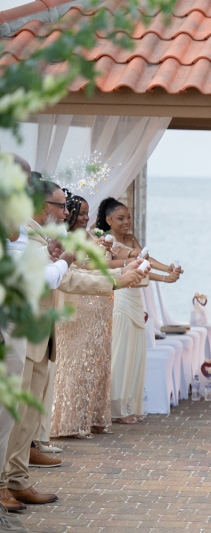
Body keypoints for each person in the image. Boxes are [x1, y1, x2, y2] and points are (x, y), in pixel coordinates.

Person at [0, 181, 147, 512]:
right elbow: (64, 278)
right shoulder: (22, 235)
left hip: (39, 336)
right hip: (18, 336)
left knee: (26, 419)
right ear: (41, 205)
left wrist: (119, 275)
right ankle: (3, 484)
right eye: (59, 205)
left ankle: (17, 480)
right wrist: (116, 279)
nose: (65, 212)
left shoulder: (39, 236)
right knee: (12, 417)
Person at [95, 197, 180, 424]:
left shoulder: (131, 239)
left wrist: (167, 273)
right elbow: (129, 264)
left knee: (135, 351)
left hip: (136, 297)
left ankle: (128, 405)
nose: (126, 222)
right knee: (120, 352)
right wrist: (164, 274)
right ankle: (115, 408)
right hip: (120, 296)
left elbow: (145, 263)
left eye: (129, 217)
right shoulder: (106, 242)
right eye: (121, 218)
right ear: (109, 219)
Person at [50, 193, 115, 438]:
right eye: (81, 213)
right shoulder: (62, 238)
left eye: (89, 213)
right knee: (76, 363)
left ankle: (90, 417)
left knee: (96, 363)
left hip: (97, 302)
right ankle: (70, 422)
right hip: (76, 303)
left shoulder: (90, 236)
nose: (86, 218)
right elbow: (79, 267)